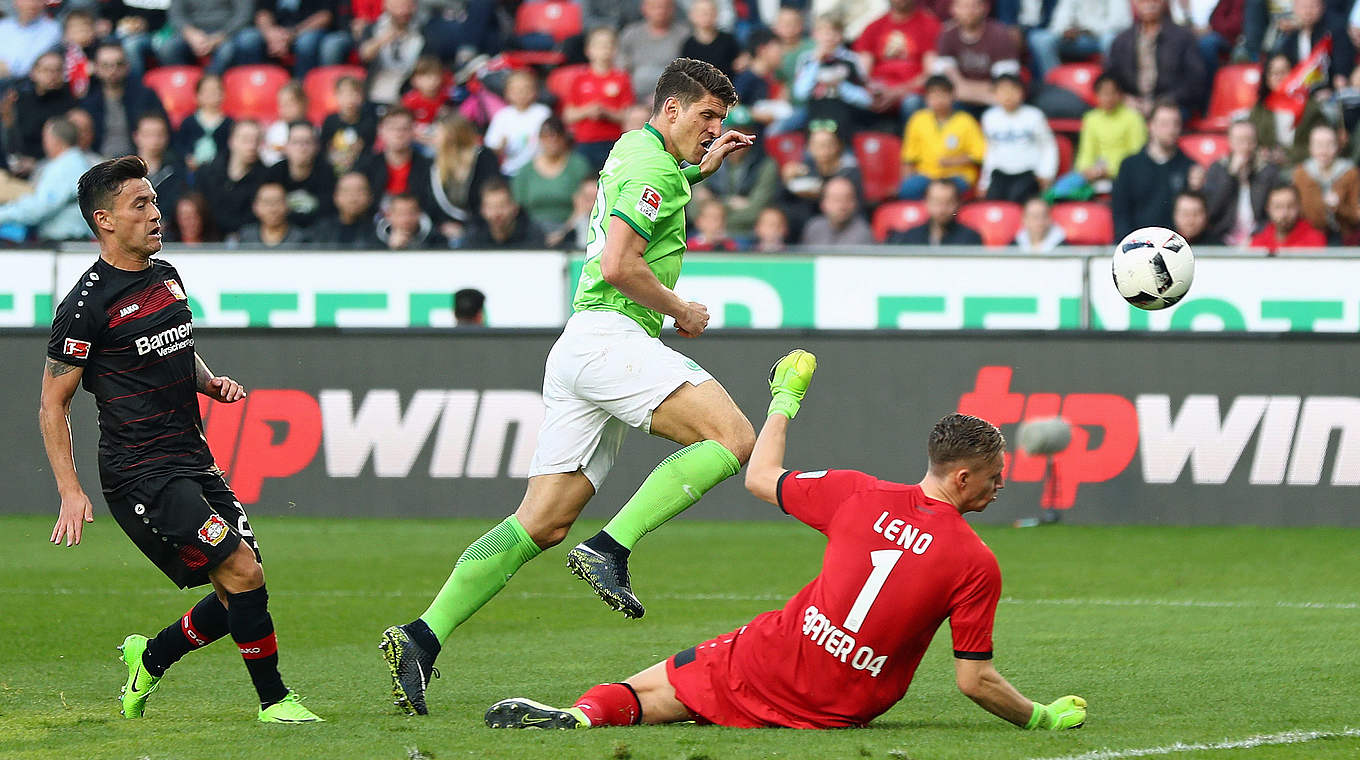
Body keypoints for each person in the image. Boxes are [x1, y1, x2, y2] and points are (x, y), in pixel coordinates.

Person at [379, 58, 757, 716]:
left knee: (541, 522)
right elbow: (619, 263)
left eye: (721, 120)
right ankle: (609, 546)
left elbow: (654, 191)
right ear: (671, 111)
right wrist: (679, 309)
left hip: (581, 345)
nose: (714, 128)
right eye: (706, 118)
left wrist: (701, 167)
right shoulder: (651, 167)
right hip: (613, 337)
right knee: (734, 436)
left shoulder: (638, 150)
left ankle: (420, 635)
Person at [483, 351, 1088, 734]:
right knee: (683, 691)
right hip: (848, 704)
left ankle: (580, 716)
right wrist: (1040, 717)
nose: (1002, 484)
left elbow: (758, 477)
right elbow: (973, 680)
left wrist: (785, 399)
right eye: (995, 475)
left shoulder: (857, 494)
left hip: (776, 659)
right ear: (962, 478)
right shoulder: (976, 562)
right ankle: (582, 718)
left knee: (650, 691)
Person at [38, 156, 321, 724]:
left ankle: (151, 656)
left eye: (153, 201)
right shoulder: (85, 306)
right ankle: (274, 702)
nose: (155, 213)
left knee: (241, 588)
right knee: (242, 573)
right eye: (139, 204)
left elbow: (176, 346)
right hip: (141, 472)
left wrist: (208, 382)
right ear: (105, 220)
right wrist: (70, 491)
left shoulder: (165, 275)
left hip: (193, 457)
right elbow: (53, 403)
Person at [1045, 74, 1147, 201]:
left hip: (1123, 176)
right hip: (1094, 174)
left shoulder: (1133, 118)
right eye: (1104, 94)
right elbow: (1086, 153)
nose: (1108, 98)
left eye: (1112, 93)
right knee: (1056, 192)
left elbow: (1137, 156)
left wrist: (1110, 171)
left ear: (1120, 95)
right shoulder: (1091, 119)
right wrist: (1087, 171)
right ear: (1096, 95)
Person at [1110, 101, 1197, 238]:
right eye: (1164, 124)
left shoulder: (1190, 167)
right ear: (1150, 126)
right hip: (1136, 248)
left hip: (1173, 249)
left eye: (1176, 123)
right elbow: (1120, 214)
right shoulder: (1129, 165)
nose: (1171, 129)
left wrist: (1197, 190)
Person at [1106, 0, 1207, 119]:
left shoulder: (1183, 37)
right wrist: (1123, 98)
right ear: (1134, 3)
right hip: (1132, 106)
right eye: (1143, 1)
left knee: (1165, 119)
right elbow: (1109, 78)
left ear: (1164, 2)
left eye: (1155, 0)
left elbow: (1195, 81)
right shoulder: (1121, 41)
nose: (1149, 4)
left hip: (1172, 105)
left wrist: (1161, 102)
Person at [0, 118, 93, 241]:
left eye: (45, 137)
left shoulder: (66, 166)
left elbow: (40, 208)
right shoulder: (72, 162)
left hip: (66, 243)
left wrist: (3, 215)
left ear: (56, 141)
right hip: (66, 243)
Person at [899, 75, 986, 200]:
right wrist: (906, 181)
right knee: (908, 190)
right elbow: (908, 157)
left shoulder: (966, 121)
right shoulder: (917, 120)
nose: (938, 100)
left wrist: (954, 161)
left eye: (943, 95)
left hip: (957, 175)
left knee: (948, 194)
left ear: (952, 96)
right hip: (926, 175)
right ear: (926, 99)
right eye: (933, 96)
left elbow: (980, 155)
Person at [853, 0, 943, 118]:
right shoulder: (873, 27)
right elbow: (862, 72)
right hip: (879, 91)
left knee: (911, 102)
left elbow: (930, 74)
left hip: (913, 93)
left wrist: (898, 92)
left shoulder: (929, 25)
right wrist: (874, 91)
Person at [81, 41, 167, 161]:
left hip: (138, 161)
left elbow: (163, 130)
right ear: (96, 68)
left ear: (127, 66)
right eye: (106, 65)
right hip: (98, 162)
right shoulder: (88, 102)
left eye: (118, 64)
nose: (113, 70)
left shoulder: (146, 96)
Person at [979, 73, 1058, 202]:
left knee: (1018, 199)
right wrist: (984, 182)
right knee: (992, 202)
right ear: (994, 94)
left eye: (1013, 90)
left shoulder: (1034, 115)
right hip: (1000, 174)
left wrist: (1046, 174)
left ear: (1022, 92)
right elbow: (990, 151)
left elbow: (1048, 146)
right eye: (1003, 90)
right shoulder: (989, 118)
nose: (1008, 95)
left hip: (1028, 173)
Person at [1202, 119, 1282, 246]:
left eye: (1249, 140)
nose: (1245, 146)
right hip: (1221, 239)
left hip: (1258, 239)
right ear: (1230, 142)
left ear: (1256, 142)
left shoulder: (1267, 172)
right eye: (1239, 141)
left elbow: (1271, 214)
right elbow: (1211, 210)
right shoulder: (1217, 169)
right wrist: (1230, 176)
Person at [565, 27, 636, 170]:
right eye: (598, 45)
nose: (604, 49)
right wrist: (587, 111)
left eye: (608, 44)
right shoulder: (579, 79)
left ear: (615, 50)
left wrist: (606, 113)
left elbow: (628, 115)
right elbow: (568, 115)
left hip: (613, 141)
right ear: (588, 50)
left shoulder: (622, 78)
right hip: (585, 142)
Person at [790, 14, 873, 135]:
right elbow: (800, 94)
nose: (828, 37)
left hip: (846, 119)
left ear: (842, 35)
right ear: (815, 34)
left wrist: (839, 86)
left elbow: (866, 99)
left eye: (834, 32)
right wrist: (816, 62)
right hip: (814, 118)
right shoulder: (806, 60)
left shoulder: (852, 60)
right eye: (824, 32)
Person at [935, 0, 1022, 113]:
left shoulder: (999, 34)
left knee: (1006, 102)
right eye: (963, 6)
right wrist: (964, 91)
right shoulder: (947, 34)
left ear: (985, 8)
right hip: (964, 100)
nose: (969, 11)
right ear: (953, 9)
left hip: (995, 99)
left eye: (974, 6)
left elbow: (1005, 84)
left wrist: (964, 89)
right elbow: (947, 83)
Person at [512, 117, 594, 233]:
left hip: (571, 228)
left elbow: (586, 204)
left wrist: (563, 232)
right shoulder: (526, 170)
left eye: (557, 135)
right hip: (531, 231)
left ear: (564, 137)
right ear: (539, 139)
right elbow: (517, 206)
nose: (552, 140)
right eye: (546, 136)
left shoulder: (578, 166)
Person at [1, 51, 76, 166]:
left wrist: (35, 163)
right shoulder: (18, 99)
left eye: (57, 70)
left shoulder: (70, 103)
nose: (53, 75)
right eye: (46, 70)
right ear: (33, 73)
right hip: (15, 161)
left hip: (50, 164)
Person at [194, 119, 267, 236]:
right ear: (232, 141)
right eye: (246, 140)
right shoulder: (207, 172)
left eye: (257, 140)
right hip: (208, 240)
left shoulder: (266, 178)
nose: (252, 146)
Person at [247, 0, 352, 79]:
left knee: (306, 42)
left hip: (306, 31)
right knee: (249, 39)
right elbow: (262, 12)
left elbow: (325, 15)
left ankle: (302, 92)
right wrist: (270, 33)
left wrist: (293, 34)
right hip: (275, 33)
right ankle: (256, 90)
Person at [1025, 0, 1129, 80]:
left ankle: (1109, 83)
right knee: (1039, 38)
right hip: (1076, 40)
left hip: (1099, 38)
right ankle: (1054, 81)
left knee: (1110, 40)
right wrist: (1065, 30)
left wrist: (1089, 29)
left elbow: (1120, 23)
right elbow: (1058, 21)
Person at [1292, 123, 1360, 243]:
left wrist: (1338, 207)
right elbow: (1298, 211)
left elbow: (1356, 214)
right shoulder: (1301, 174)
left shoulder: (1350, 173)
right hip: (1309, 235)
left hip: (1344, 236)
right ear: (1310, 148)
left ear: (1337, 146)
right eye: (1318, 145)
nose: (1324, 150)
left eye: (1329, 144)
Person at [159, 0, 262, 75]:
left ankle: (212, 84)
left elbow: (243, 14)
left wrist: (220, 36)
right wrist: (191, 34)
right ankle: (186, 87)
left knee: (233, 47)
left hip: (229, 31)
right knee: (168, 48)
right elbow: (176, 14)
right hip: (194, 32)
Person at [266, 121, 336, 229]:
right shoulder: (274, 173)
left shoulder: (327, 174)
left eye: (307, 142)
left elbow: (328, 213)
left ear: (316, 147)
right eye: (296, 142)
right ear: (286, 147)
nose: (301, 148)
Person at [618, 0, 690, 100]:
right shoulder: (630, 34)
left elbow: (689, 72)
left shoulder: (684, 35)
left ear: (672, 9)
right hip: (634, 98)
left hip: (673, 97)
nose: (660, 11)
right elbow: (621, 68)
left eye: (665, 7)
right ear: (644, 8)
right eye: (654, 7)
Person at [485, 70, 552, 177]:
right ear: (507, 93)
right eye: (516, 90)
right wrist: (500, 147)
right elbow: (491, 146)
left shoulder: (543, 113)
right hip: (511, 171)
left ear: (535, 91)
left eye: (526, 89)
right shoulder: (502, 116)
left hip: (538, 171)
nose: (521, 93)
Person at [358, 0, 425, 106]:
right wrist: (382, 40)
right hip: (376, 93)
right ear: (386, 6)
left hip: (406, 96)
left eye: (408, 6)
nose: (404, 11)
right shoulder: (373, 29)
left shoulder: (423, 32)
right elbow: (364, 55)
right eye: (398, 6)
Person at [134, 113, 189, 222]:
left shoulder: (176, 169)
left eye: (159, 134)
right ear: (136, 136)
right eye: (148, 134)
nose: (154, 140)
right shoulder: (126, 170)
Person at [320, 76, 380, 174]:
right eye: (344, 93)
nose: (349, 98)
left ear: (362, 96)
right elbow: (323, 149)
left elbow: (371, 152)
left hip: (360, 172)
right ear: (336, 95)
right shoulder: (330, 121)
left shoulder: (370, 122)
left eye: (354, 93)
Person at [463, 179, 546, 249]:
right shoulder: (474, 237)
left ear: (515, 208)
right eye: (491, 207)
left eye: (502, 206)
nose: (497, 213)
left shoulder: (533, 235)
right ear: (482, 210)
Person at [173, 74, 233, 171]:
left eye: (216, 90)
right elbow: (180, 145)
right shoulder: (188, 122)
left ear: (223, 94)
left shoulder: (230, 124)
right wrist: (187, 158)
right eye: (206, 91)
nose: (211, 94)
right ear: (197, 95)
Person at [1250, 182, 1327, 252]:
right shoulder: (1258, 244)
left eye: (1290, 206)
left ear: (1299, 207)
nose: (1284, 213)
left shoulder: (1314, 241)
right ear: (1268, 209)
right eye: (1278, 207)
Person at [310, 171, 381, 248]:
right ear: (336, 197)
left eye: (360, 191)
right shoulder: (321, 231)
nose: (353, 198)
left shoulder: (380, 232)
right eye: (346, 191)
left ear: (370, 197)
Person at [801, 175, 874, 245]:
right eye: (836, 199)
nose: (842, 205)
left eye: (847, 199)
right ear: (823, 203)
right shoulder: (813, 229)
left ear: (855, 203)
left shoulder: (863, 233)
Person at [232, 181, 311, 247]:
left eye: (278, 201)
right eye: (266, 202)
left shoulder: (301, 239)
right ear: (255, 207)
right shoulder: (245, 237)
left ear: (288, 206)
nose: (273, 209)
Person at [0, 0, 62, 82]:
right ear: (16, 2)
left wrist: (6, 69)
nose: (32, 5)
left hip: (22, 87)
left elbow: (29, 69)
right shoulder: (3, 26)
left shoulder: (53, 30)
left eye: (38, 1)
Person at [682, 0, 743, 75]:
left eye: (709, 11)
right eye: (701, 12)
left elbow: (738, 64)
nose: (705, 15)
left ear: (716, 14)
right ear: (691, 15)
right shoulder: (688, 45)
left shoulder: (728, 40)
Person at [261, 82, 309, 167]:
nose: (285, 108)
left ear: (303, 103)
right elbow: (268, 156)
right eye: (281, 104)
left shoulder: (311, 130)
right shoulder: (276, 129)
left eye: (290, 103)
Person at [378, 191, 444, 249]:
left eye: (411, 213)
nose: (406, 219)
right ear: (389, 215)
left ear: (419, 214)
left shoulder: (435, 240)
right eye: (400, 214)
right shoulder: (376, 239)